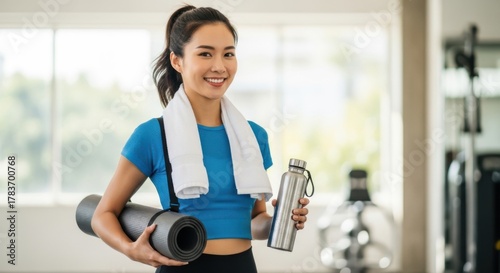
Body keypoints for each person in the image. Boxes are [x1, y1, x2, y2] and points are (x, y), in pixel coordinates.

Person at [91, 4, 310, 273]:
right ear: (177, 60)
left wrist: (280, 220)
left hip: (243, 266)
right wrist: (131, 249)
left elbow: (253, 222)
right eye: (205, 53)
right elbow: (103, 214)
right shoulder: (153, 135)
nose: (219, 66)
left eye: (228, 54)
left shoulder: (253, 137)